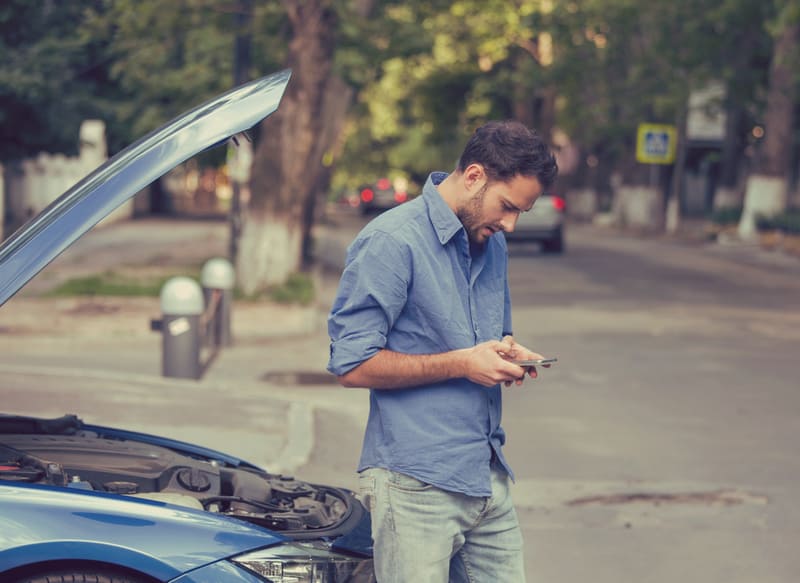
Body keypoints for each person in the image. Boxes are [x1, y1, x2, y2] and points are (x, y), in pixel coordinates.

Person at [327, 120, 558, 583]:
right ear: (474, 177)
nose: (510, 224)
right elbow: (351, 364)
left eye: (521, 214)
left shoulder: (492, 244)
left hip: (487, 475)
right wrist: (463, 364)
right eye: (507, 207)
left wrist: (505, 353)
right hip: (415, 482)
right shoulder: (391, 241)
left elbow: (478, 340)